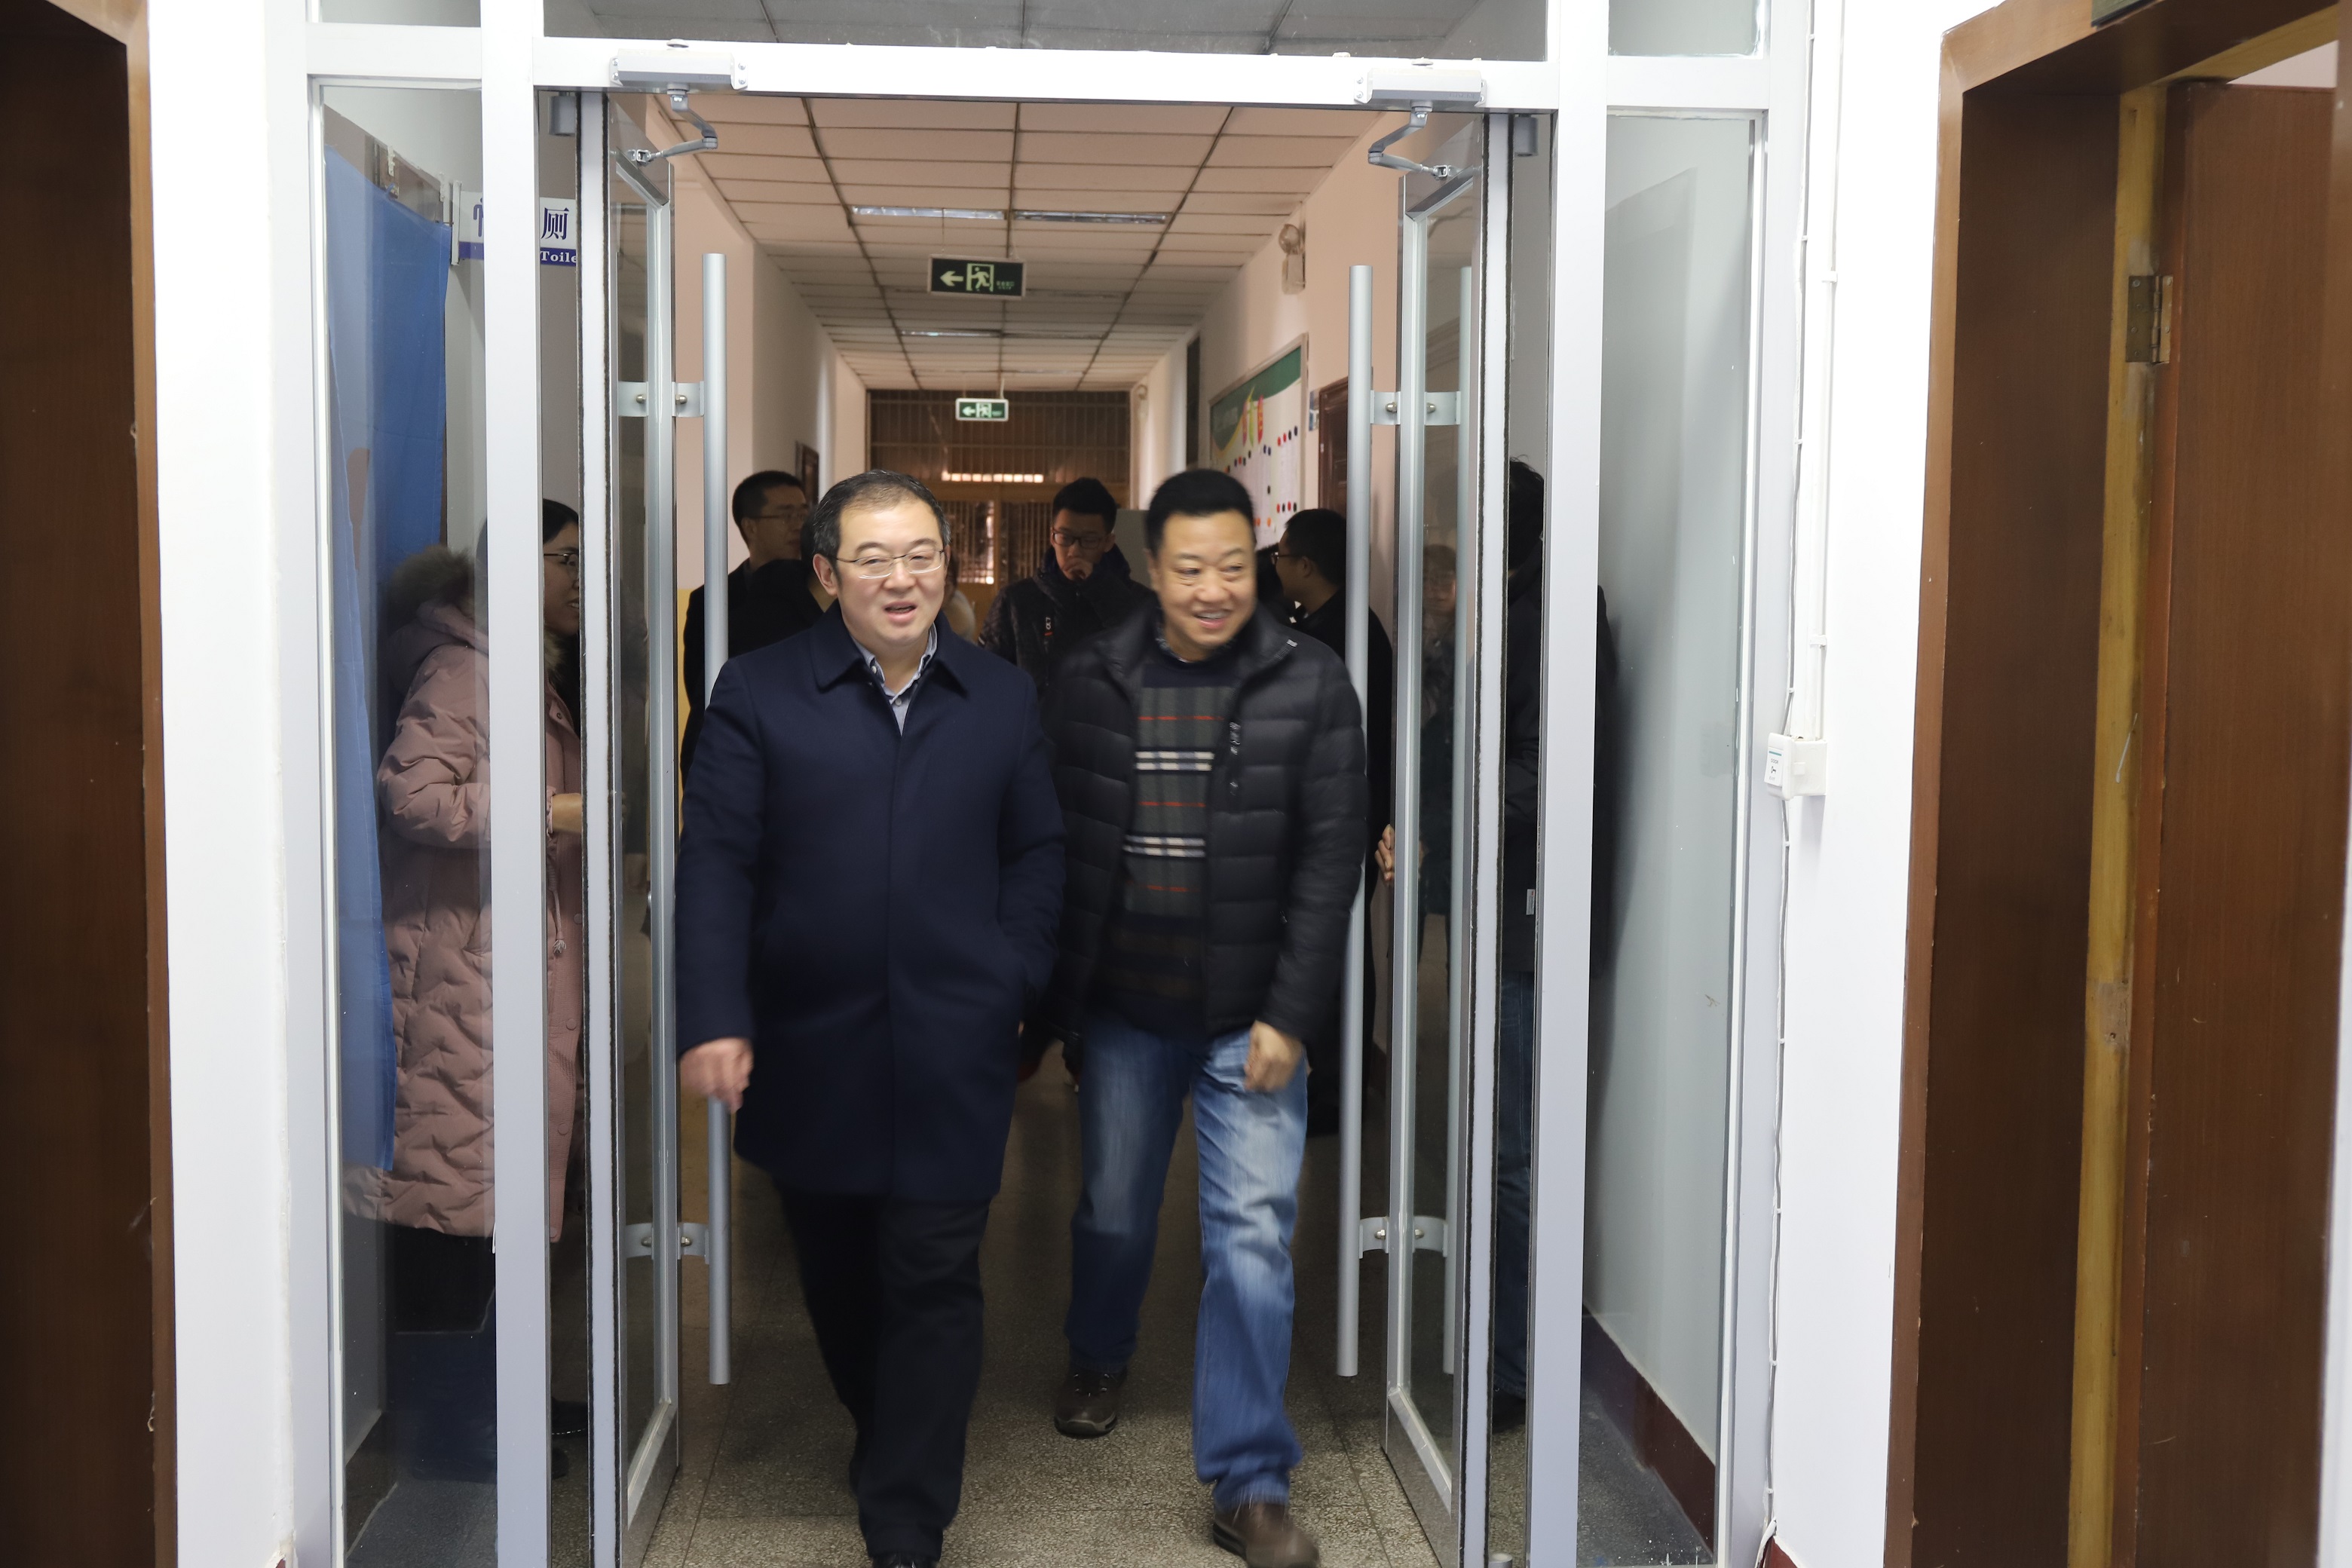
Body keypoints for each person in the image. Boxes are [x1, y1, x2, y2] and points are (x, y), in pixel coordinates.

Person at [675, 469, 1064, 1568]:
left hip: (955, 1037)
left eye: (922, 555)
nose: (902, 579)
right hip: (813, 1039)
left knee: (936, 1273)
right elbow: (718, 863)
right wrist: (716, 1014)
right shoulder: (759, 690)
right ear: (826, 574)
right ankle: (887, 1428)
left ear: (948, 565)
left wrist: (1014, 974)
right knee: (839, 1273)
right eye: (874, 559)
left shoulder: (999, 696)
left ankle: (906, 1517)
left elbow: (1038, 850)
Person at [1040, 469, 1367, 1568]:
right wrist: (1059, 1005)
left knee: (1252, 1239)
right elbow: (1057, 837)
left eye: (1235, 565)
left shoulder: (1309, 681)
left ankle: (1250, 1481)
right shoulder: (1092, 676)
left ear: (1257, 564)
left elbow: (1331, 859)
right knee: (1115, 1212)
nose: (1215, 588)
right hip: (1127, 1007)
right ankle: (1098, 1351)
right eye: (1191, 568)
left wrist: (1293, 1012)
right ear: (1154, 568)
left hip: (1252, 1017)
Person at [366, 499, 587, 1479]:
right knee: (455, 1203)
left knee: (496, 1197)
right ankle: (452, 1429)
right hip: (463, 972)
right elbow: (411, 794)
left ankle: (505, 1398)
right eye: (566, 559)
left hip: (501, 962)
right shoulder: (465, 667)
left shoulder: (520, 662)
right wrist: (551, 809)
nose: (580, 579)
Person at [1272, 507, 1395, 1135]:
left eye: (1281, 556)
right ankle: (1331, 1081)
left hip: (1342, 816)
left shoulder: (1343, 637)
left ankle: (1339, 1092)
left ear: (1307, 565)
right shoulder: (1332, 625)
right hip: (1334, 812)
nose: (1275, 565)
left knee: (1340, 953)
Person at [681, 469, 827, 774]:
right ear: (750, 526)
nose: (798, 525)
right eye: (785, 515)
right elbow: (701, 686)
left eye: (803, 514)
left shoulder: (822, 590)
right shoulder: (712, 600)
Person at [978, 476, 1152, 688]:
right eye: (1065, 537)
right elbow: (986, 680)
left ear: (1108, 542)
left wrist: (1103, 591)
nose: (1074, 551)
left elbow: (1152, 674)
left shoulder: (1140, 603)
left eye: (1089, 540)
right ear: (1052, 536)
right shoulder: (1015, 602)